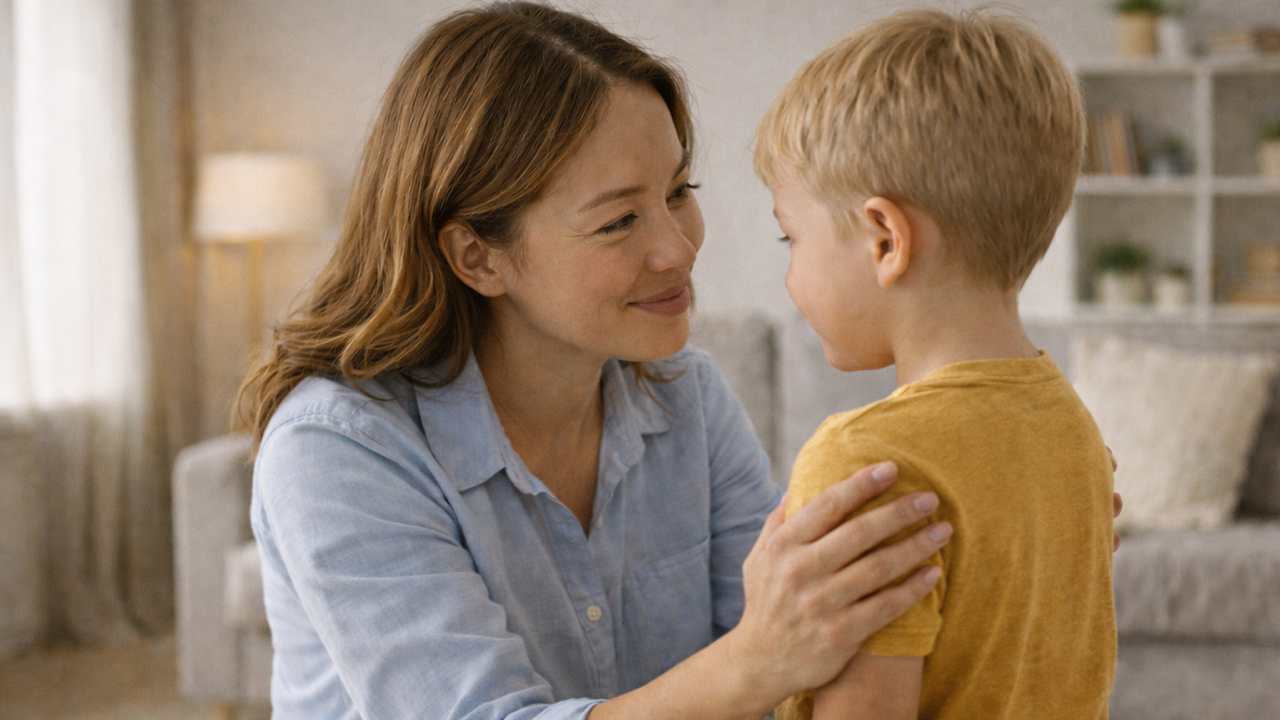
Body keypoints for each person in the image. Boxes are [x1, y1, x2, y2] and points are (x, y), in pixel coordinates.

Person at [235, 4, 954, 719]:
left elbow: (808, 653)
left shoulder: (686, 394)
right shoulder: (336, 447)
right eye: (618, 221)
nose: (679, 249)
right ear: (478, 257)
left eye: (679, 192)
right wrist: (754, 663)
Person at [754, 8, 1117, 720]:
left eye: (789, 238)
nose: (790, 272)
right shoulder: (1073, 428)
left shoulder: (865, 463)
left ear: (886, 240)